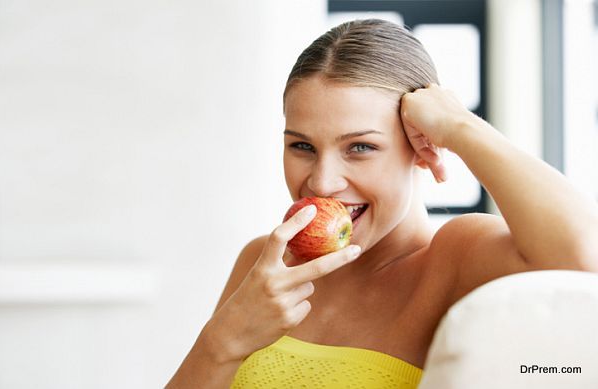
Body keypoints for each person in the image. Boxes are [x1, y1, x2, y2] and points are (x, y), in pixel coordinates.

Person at [166, 19, 598, 388]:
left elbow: (585, 256)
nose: (322, 181)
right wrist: (222, 341)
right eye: (301, 145)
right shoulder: (265, 262)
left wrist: (460, 126)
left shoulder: (454, 258)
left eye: (360, 148)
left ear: (420, 144)